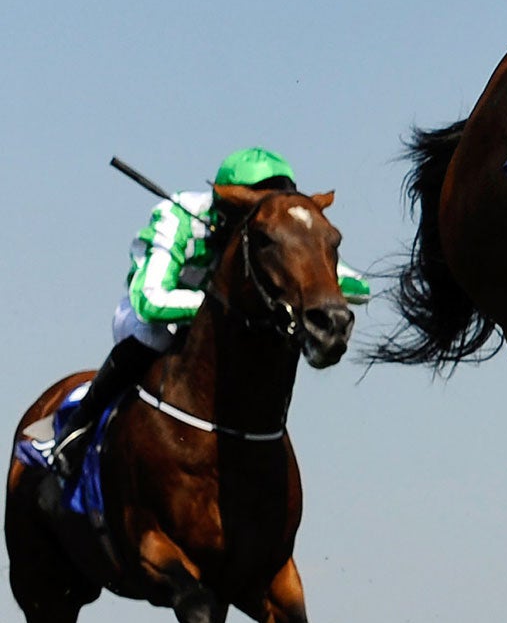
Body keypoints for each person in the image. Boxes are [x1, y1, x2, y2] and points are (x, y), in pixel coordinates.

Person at [49, 148, 370, 478]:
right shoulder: (178, 217)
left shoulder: (278, 234)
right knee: (153, 335)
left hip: (226, 324)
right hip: (153, 318)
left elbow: (358, 287)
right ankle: (77, 429)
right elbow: (150, 300)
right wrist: (219, 308)